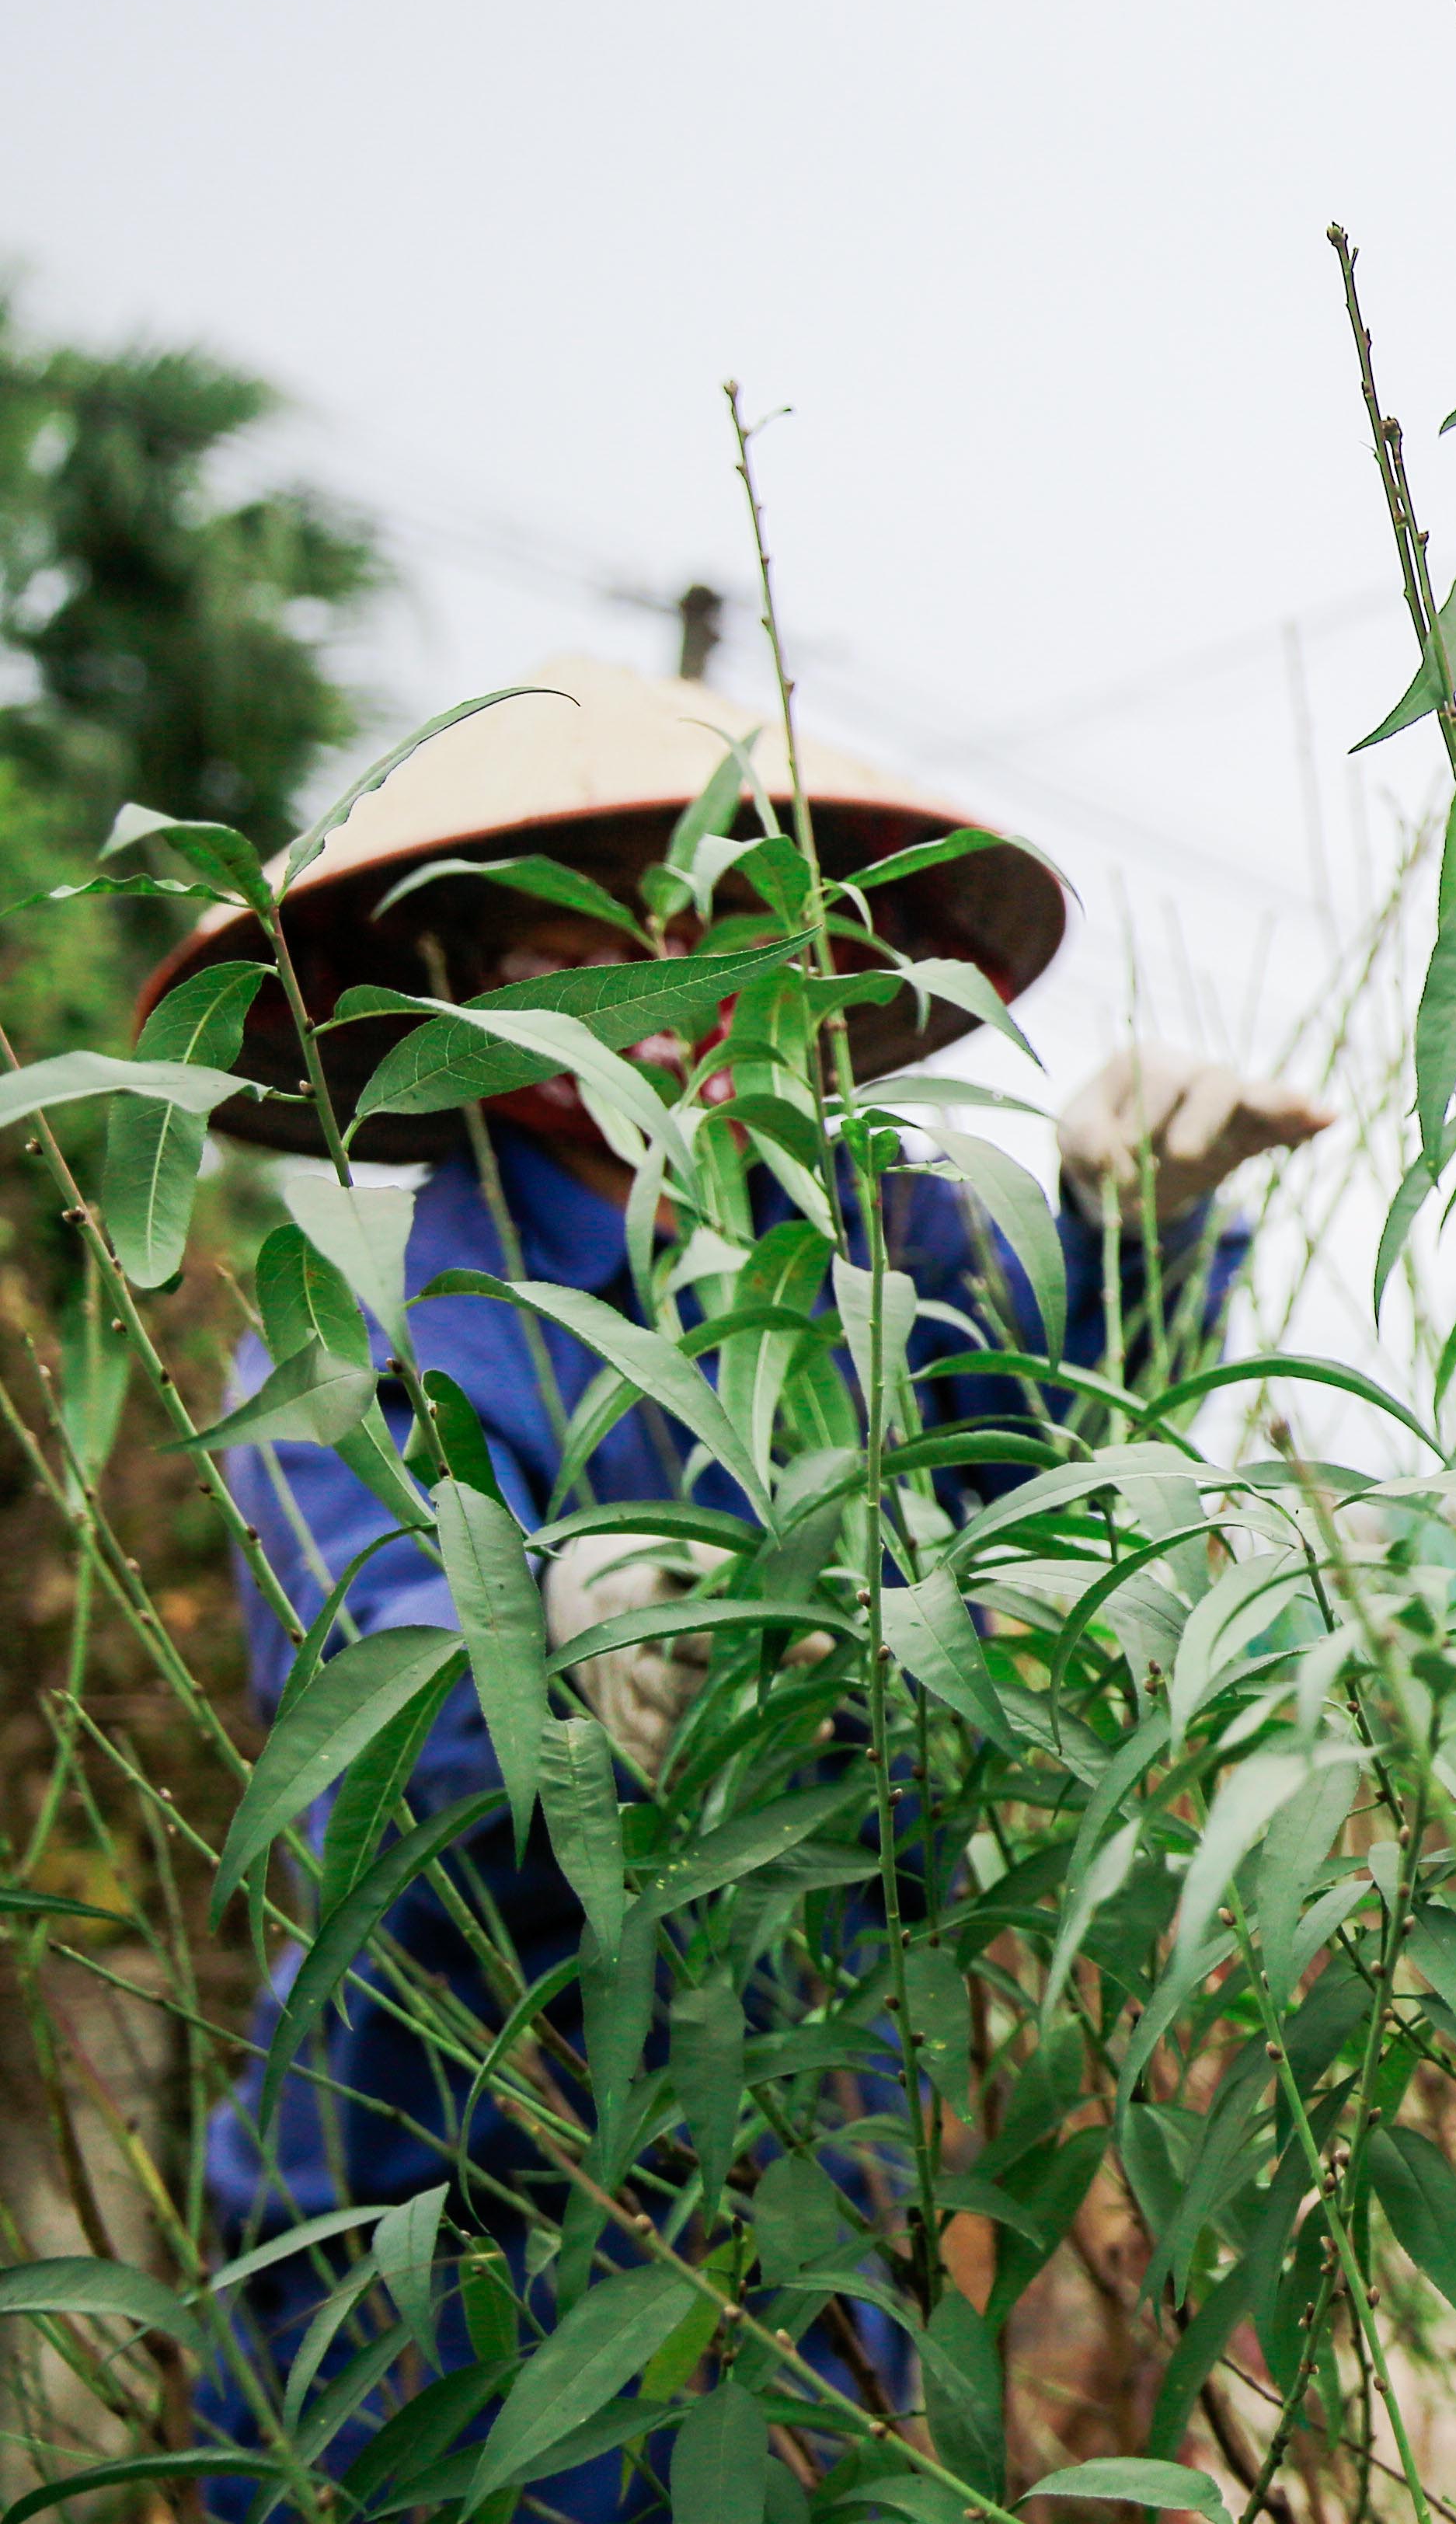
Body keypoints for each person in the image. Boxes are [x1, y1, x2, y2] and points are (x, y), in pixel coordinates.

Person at [160, 657, 1326, 2520]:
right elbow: (396, 1753)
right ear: (451, 983)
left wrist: (1134, 1229)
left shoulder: (895, 1255)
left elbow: (1046, 1498)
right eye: (587, 956)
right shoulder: (363, 1313)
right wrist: (566, 1629)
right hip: (446, 2203)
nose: (669, 1007)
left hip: (809, 2191)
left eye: (724, 943)